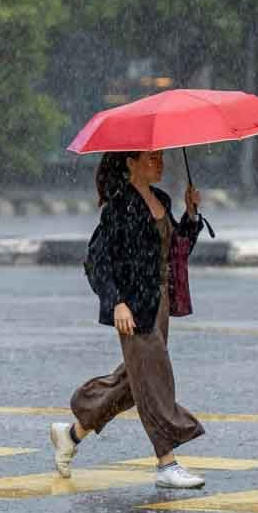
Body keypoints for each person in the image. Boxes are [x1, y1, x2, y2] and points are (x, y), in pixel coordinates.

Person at [49, 150, 207, 488]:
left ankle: (72, 434)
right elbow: (98, 261)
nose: (159, 163)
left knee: (134, 382)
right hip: (134, 308)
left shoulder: (161, 198)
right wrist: (117, 302)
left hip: (161, 301)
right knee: (154, 377)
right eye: (151, 158)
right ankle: (167, 463)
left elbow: (176, 249)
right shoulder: (120, 206)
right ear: (131, 163)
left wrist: (191, 216)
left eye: (161, 157)